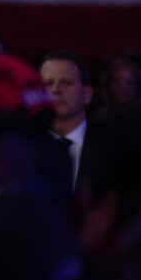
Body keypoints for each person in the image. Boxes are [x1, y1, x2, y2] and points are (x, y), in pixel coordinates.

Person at [40, 49, 94, 189]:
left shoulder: (110, 147)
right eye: (48, 83)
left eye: (66, 82)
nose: (55, 90)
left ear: (87, 94)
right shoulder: (24, 149)